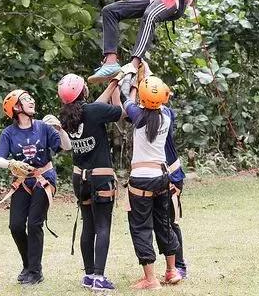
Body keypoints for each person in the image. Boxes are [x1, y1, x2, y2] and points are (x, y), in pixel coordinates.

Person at [0, 89, 71, 285]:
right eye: (25, 99)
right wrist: (11, 164)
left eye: (30, 97)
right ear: (16, 108)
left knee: (34, 224)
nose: (31, 101)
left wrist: (60, 129)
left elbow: (67, 147)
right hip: (22, 181)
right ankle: (28, 265)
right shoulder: (9, 133)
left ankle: (35, 272)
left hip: (44, 178)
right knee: (16, 226)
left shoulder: (44, 127)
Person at [57, 74, 124, 291]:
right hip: (101, 177)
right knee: (103, 226)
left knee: (89, 225)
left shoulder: (67, 116)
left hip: (80, 178)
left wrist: (113, 82)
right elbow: (120, 112)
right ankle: (99, 277)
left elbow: (95, 106)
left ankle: (88, 275)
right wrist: (117, 88)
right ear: (83, 91)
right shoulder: (94, 112)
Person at [122, 75, 182, 289]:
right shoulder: (167, 115)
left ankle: (150, 279)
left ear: (143, 98)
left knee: (140, 227)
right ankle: (172, 270)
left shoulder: (138, 115)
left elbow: (126, 99)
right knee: (164, 223)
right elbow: (156, 98)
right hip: (161, 177)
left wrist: (130, 83)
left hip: (141, 180)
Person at [162, 90, 188, 279]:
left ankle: (179, 266)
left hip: (171, 173)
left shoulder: (166, 113)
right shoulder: (142, 113)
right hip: (154, 174)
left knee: (170, 222)